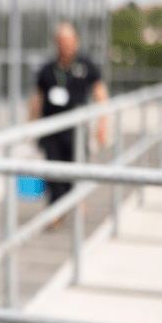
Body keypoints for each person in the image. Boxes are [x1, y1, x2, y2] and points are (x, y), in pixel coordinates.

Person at [29, 22, 108, 223]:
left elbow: (100, 94)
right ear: (56, 43)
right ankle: (57, 213)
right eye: (62, 42)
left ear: (76, 42)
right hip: (51, 131)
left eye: (69, 41)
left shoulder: (86, 65)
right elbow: (36, 98)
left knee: (76, 169)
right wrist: (31, 127)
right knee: (53, 173)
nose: (66, 45)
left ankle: (78, 200)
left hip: (76, 131)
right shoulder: (48, 69)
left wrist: (103, 125)